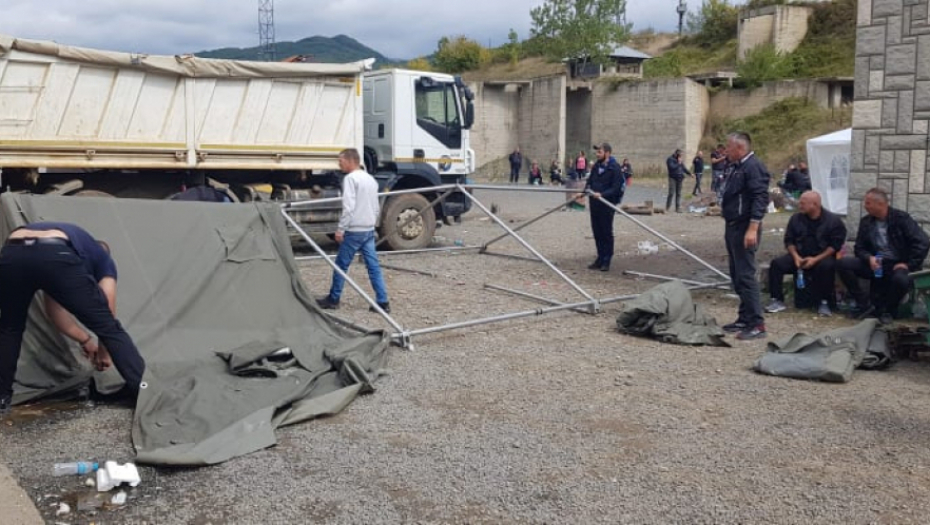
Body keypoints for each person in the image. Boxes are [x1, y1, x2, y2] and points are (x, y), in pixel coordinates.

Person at [0, 222, 146, 417]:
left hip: (12, 250)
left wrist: (85, 340)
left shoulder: (75, 245)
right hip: (54, 249)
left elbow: (54, 310)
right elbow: (107, 309)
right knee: (111, 328)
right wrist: (104, 352)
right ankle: (143, 392)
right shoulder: (103, 260)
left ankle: (2, 398)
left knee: (10, 328)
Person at [837, 187, 930, 324]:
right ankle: (864, 304)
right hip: (876, 263)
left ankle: (888, 311)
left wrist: (909, 264)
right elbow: (859, 248)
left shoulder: (901, 219)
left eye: (868, 203)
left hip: (898, 263)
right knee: (843, 264)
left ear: (880, 204)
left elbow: (923, 241)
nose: (865, 206)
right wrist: (869, 258)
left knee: (901, 279)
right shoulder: (866, 222)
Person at [316, 148, 391, 313]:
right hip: (368, 229)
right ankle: (382, 301)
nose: (339, 164)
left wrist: (340, 229)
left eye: (341, 161)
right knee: (373, 266)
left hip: (354, 230)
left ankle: (333, 299)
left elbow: (348, 207)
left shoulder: (350, 179)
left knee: (341, 265)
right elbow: (376, 206)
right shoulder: (371, 180)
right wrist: (372, 223)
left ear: (351, 160)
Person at [720, 132, 770, 340]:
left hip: (745, 227)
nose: (725, 152)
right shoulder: (737, 167)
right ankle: (744, 316)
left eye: (728, 148)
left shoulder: (753, 167)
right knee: (736, 273)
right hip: (732, 225)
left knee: (746, 274)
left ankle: (757, 323)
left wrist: (752, 228)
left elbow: (760, 197)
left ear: (740, 148)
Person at [764, 191, 847, 317]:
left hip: (821, 256)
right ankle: (777, 300)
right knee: (777, 264)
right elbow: (789, 240)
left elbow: (835, 246)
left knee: (827, 266)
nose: (799, 205)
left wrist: (815, 259)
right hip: (799, 255)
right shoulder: (796, 219)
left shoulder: (833, 221)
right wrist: (796, 257)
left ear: (815, 204)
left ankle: (824, 302)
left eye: (803, 203)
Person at [577, 143, 623, 271]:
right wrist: (584, 192)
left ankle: (607, 260)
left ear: (607, 153)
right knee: (596, 231)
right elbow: (590, 181)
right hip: (595, 203)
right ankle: (600, 257)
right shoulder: (597, 166)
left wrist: (602, 194)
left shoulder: (615, 168)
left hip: (607, 204)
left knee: (606, 232)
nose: (597, 155)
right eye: (597, 152)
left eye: (600, 152)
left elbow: (616, 188)